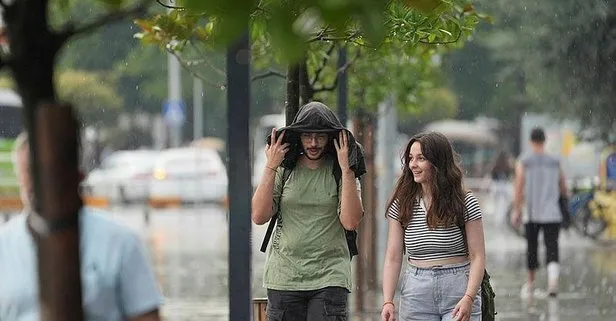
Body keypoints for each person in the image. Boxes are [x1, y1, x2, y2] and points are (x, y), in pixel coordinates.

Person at [0, 132, 163, 321]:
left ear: (77, 173)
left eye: (51, 171)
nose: (42, 182)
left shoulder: (120, 243)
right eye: (31, 171)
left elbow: (146, 316)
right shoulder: (4, 247)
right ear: (19, 175)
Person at [251, 101, 365, 321]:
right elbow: (258, 216)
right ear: (298, 137)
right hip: (284, 275)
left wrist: (347, 169)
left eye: (320, 136)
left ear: (330, 138)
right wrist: (271, 166)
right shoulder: (285, 167)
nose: (313, 143)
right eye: (307, 136)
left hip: (330, 275)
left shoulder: (341, 170)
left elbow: (351, 222)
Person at [381, 131, 486, 321]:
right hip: (416, 292)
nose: (413, 164)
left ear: (438, 162)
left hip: (458, 290)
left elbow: (478, 256)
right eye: (411, 158)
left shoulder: (464, 201)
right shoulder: (402, 203)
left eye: (421, 158)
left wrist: (469, 298)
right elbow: (393, 256)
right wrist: (388, 301)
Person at [511, 127, 567, 298]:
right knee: (552, 247)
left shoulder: (524, 161)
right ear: (544, 140)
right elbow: (563, 186)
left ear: (531, 141)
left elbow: (519, 185)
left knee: (532, 247)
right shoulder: (555, 160)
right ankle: (552, 282)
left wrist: (517, 209)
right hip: (552, 212)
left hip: (532, 213)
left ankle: (531, 284)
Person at [489, 150, 514, 222]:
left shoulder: (496, 165)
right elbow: (510, 175)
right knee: (503, 204)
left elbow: (492, 175)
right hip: (503, 186)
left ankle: (498, 217)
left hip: (497, 185)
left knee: (497, 203)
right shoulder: (507, 165)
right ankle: (501, 217)